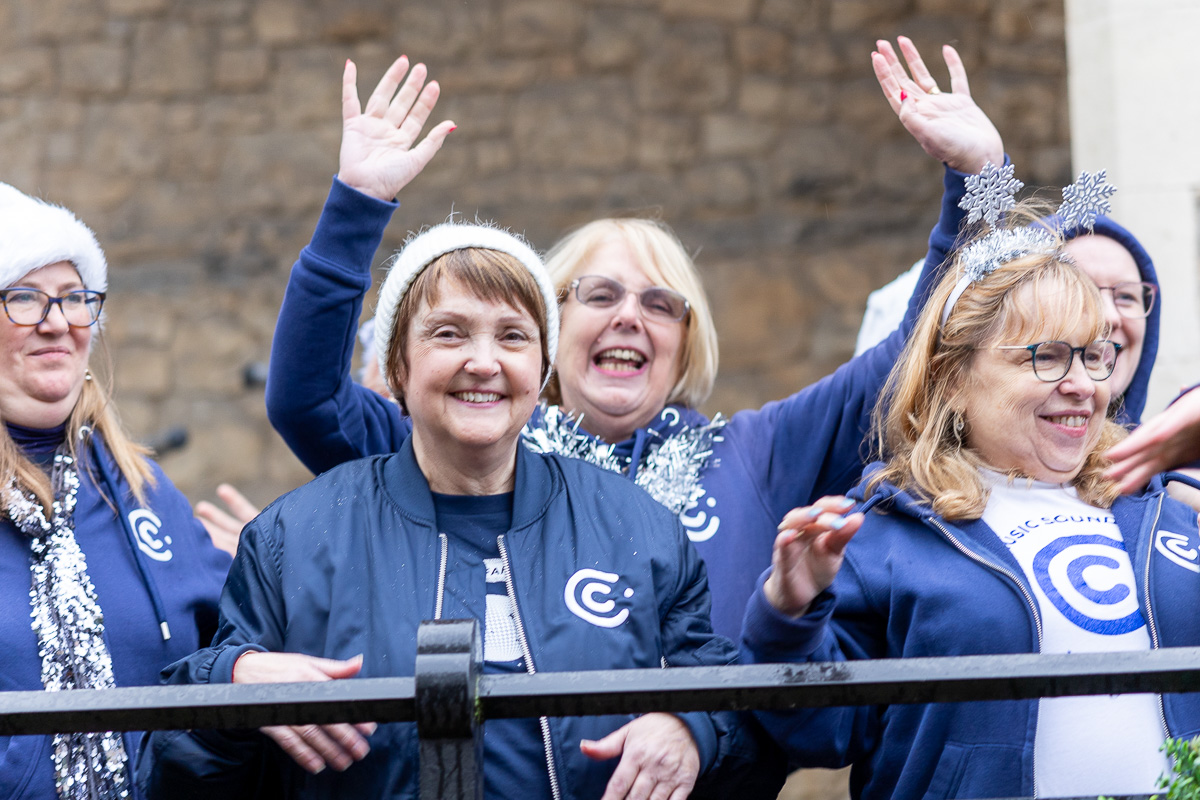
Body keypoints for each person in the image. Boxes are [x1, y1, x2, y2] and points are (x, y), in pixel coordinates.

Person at [265, 38, 1005, 640]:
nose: (630, 317)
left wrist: (983, 182)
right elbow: (308, 401)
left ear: (688, 342)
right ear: (549, 332)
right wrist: (356, 206)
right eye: (601, 295)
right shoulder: (466, 446)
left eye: (661, 304)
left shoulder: (756, 453)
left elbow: (924, 351)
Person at [138, 213, 773, 800]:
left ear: (541, 367)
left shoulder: (641, 530)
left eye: (513, 337)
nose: (484, 362)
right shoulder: (292, 537)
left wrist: (693, 727)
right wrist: (233, 685)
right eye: (449, 333)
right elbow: (178, 772)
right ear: (396, 367)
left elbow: (734, 715)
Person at [739, 203, 1200, 799]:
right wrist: (790, 609)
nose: (1083, 385)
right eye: (1047, 355)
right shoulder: (885, 529)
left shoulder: (1162, 506)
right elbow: (818, 731)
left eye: (1093, 356)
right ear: (952, 380)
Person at [0, 183, 230, 799]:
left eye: (75, 299)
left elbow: (232, 644)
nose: (57, 323)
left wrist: (270, 568)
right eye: (24, 297)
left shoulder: (140, 490)